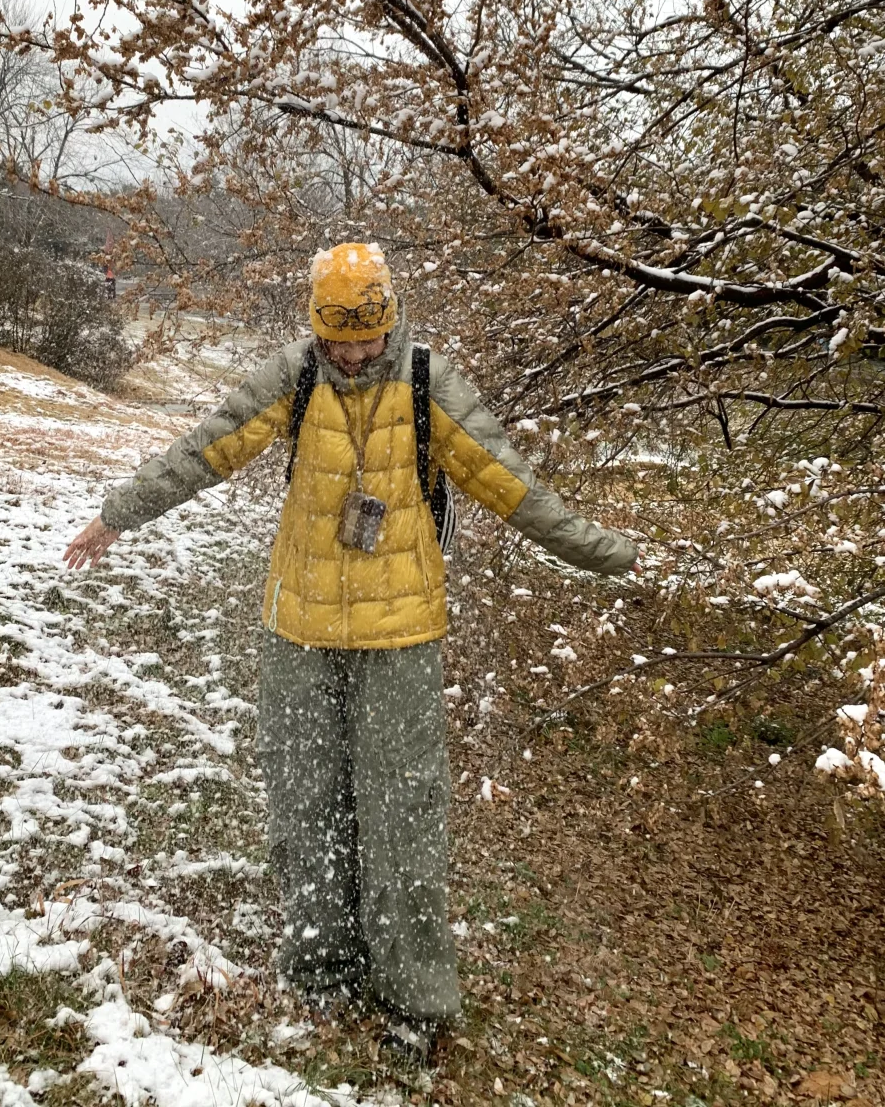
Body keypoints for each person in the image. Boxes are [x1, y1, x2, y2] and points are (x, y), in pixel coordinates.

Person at [64, 241, 638, 1062]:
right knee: (305, 804)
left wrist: (606, 552)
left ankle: (416, 1000)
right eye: (340, 338)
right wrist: (119, 512)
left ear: (391, 320)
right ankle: (322, 966)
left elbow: (511, 484)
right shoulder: (295, 376)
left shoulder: (427, 383)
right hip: (297, 627)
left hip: (400, 636)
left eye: (369, 336)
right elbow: (208, 448)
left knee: (401, 817)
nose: (355, 354)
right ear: (317, 328)